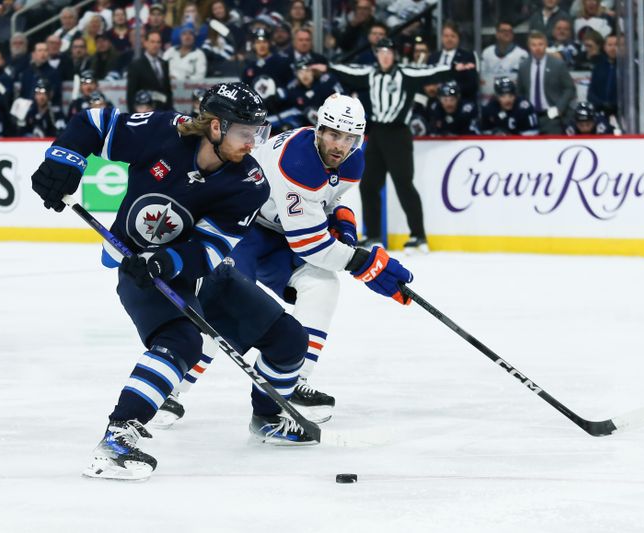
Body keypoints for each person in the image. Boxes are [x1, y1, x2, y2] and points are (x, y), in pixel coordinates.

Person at [30, 82, 333, 480]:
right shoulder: (160, 132)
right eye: (245, 132)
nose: (254, 142)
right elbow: (94, 121)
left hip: (200, 273)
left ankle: (267, 417)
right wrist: (63, 160)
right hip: (139, 270)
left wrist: (166, 261)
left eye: (258, 131)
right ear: (215, 127)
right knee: (183, 343)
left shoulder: (250, 182)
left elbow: (211, 247)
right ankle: (117, 437)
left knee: (290, 340)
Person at [153, 94, 416, 427]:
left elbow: (328, 204)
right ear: (319, 129)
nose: (340, 145)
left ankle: (292, 382)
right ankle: (171, 389)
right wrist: (365, 263)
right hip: (240, 227)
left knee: (321, 284)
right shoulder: (298, 162)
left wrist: (344, 226)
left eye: (350, 138)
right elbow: (310, 245)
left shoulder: (353, 161)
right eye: (334, 134)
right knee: (221, 307)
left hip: (278, 234)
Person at [316, 38, 453, 253]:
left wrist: (458, 68)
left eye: (389, 52)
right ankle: (373, 235)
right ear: (376, 54)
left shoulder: (406, 74)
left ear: (395, 55)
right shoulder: (371, 74)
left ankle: (419, 236)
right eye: (381, 52)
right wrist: (327, 66)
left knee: (403, 184)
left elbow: (433, 72)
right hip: (378, 132)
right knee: (369, 185)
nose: (385, 56)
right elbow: (348, 72)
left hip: (398, 133)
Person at [517, 31, 577, 134]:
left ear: (546, 45)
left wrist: (559, 108)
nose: (537, 48)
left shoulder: (558, 64)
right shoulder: (523, 66)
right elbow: (520, 91)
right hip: (530, 116)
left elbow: (569, 88)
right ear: (529, 47)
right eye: (534, 45)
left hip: (552, 116)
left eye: (540, 44)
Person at [428, 20, 479, 102]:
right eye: (446, 36)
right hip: (436, 101)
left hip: (459, 101)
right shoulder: (433, 57)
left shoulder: (467, 57)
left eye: (453, 36)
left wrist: (451, 89)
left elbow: (472, 84)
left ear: (458, 38)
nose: (449, 39)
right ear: (441, 37)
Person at [126, 29, 173, 110]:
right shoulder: (136, 65)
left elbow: (167, 91)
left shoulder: (164, 63)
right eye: (152, 42)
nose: (155, 45)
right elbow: (131, 94)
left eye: (158, 42)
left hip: (163, 112)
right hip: (145, 112)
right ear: (145, 43)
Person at [479, 20, 529, 97]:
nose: (507, 33)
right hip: (490, 97)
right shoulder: (487, 52)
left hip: (513, 97)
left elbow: (522, 81)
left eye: (510, 31)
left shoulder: (522, 54)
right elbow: (483, 78)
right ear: (497, 34)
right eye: (503, 31)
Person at [588, 34, 618, 119]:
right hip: (600, 112)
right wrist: (601, 104)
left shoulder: (628, 68)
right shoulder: (598, 66)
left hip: (621, 112)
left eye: (616, 45)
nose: (613, 48)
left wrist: (614, 104)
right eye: (610, 45)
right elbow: (591, 92)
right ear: (604, 47)